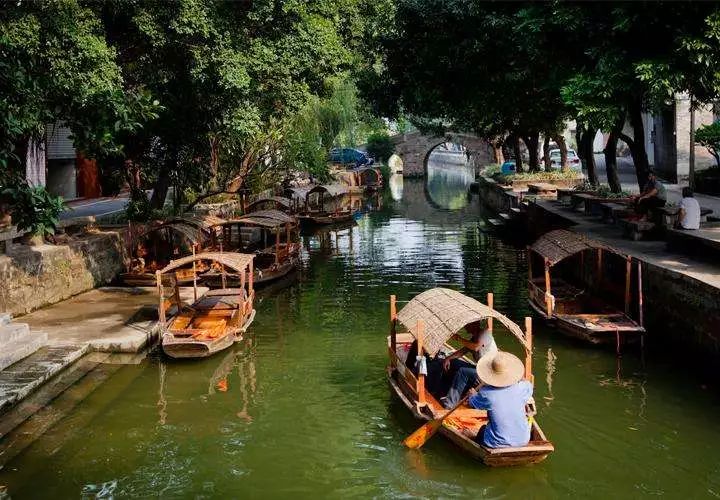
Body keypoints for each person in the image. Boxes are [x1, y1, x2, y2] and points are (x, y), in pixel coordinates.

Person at [467, 351, 533, 448]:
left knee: (482, 430)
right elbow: (528, 385)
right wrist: (518, 379)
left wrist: (472, 395)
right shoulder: (522, 387)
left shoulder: (487, 393)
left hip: (497, 443)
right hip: (523, 440)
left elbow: (473, 403)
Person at [439, 321, 497, 409]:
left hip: (487, 374)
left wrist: (459, 339)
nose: (465, 326)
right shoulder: (474, 338)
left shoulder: (485, 334)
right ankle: (448, 392)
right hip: (480, 370)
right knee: (454, 363)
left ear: (475, 325)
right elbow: (463, 351)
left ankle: (450, 404)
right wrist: (448, 358)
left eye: (468, 325)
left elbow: (476, 347)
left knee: (463, 371)